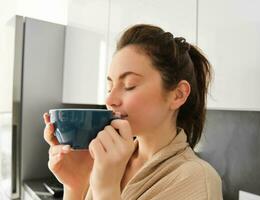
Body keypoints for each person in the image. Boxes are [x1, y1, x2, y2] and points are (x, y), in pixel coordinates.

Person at [43, 24, 223, 200]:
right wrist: (75, 185)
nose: (109, 100)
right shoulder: (109, 159)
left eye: (130, 85)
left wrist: (107, 190)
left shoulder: (197, 179)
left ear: (178, 94)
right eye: (109, 87)